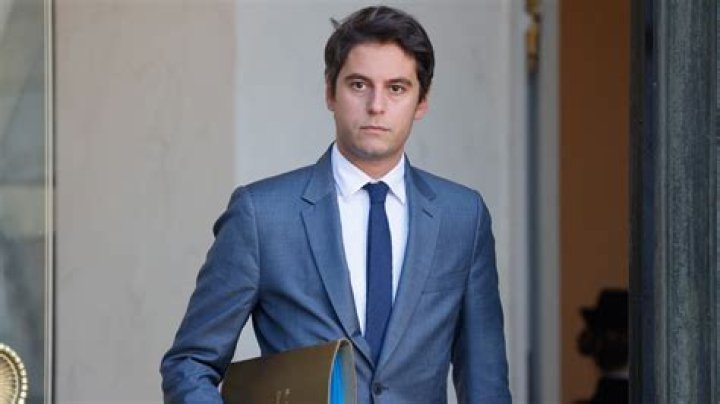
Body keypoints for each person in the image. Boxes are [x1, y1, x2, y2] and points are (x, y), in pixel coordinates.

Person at [160, 6, 510, 403]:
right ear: (330, 91)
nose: (376, 105)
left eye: (396, 88)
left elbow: (486, 383)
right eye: (359, 85)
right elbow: (189, 364)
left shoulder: (463, 217)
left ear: (421, 101)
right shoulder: (261, 216)